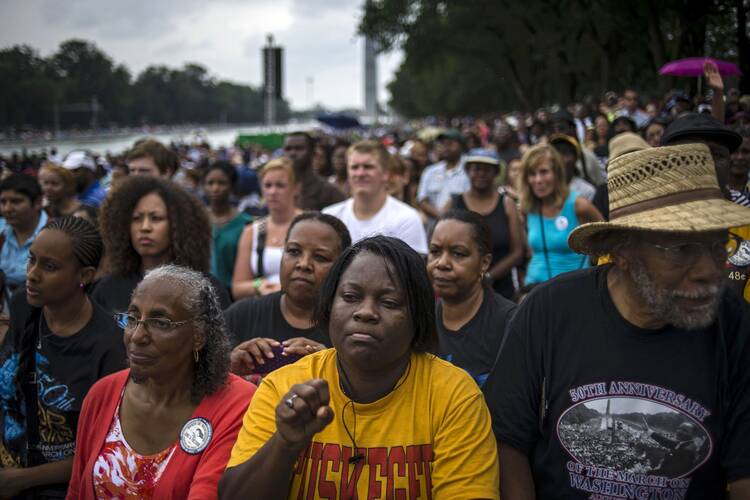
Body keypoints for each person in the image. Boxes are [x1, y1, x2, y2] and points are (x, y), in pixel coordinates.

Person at [483, 144, 750, 499]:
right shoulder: (547, 310)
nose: (709, 271)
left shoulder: (734, 324)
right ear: (622, 250)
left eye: (718, 246)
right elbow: (507, 440)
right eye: (680, 249)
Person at [219, 236, 500, 499]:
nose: (365, 312)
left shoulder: (454, 395)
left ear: (418, 318)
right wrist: (285, 443)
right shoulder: (284, 387)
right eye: (351, 297)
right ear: (329, 307)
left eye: (389, 302)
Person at [66, 265, 255, 499]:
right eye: (133, 318)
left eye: (160, 323)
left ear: (199, 336)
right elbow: (76, 492)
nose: (137, 336)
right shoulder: (103, 395)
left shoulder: (236, 403)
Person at [0, 217, 125, 498]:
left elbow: (99, 450)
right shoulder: (23, 304)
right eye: (32, 260)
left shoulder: (109, 347)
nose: (32, 273)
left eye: (50, 267)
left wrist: (19, 481)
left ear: (84, 275)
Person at [226, 213, 351, 376]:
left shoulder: (349, 328)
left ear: (342, 267)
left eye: (320, 257)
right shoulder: (241, 315)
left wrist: (331, 366)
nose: (304, 264)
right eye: (293, 251)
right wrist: (229, 367)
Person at [92, 176, 230, 315]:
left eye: (156, 218)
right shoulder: (108, 288)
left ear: (179, 225)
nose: (145, 227)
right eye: (136, 219)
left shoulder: (206, 290)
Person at [661, 113, 750, 302]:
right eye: (691, 155)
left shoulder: (747, 226)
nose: (706, 164)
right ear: (665, 164)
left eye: (717, 155)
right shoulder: (632, 227)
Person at [428, 210, 517, 386]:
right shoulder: (421, 321)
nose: (442, 263)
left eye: (458, 254)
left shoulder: (509, 323)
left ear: (484, 263)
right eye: (435, 251)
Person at [441, 149, 524, 298]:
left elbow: (517, 252)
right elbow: (440, 243)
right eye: (476, 169)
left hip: (501, 290)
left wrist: (488, 277)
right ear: (467, 171)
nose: (481, 174)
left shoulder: (507, 204)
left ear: (496, 173)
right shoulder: (453, 203)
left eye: (487, 170)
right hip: (459, 288)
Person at [323, 140, 428, 254]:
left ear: (385, 173)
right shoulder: (331, 216)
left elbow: (412, 269)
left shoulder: (407, 219)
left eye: (368, 167)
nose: (360, 173)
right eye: (354, 167)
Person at [519, 144, 603, 285]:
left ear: (557, 173)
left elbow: (609, 242)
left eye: (544, 172)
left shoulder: (579, 206)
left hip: (574, 286)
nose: (538, 180)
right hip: (534, 286)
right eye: (532, 174)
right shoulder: (528, 208)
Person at [232, 158, 301, 299]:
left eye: (280, 185)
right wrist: (258, 285)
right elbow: (237, 287)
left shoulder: (312, 225)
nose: (272, 191)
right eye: (267, 185)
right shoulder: (252, 231)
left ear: (296, 188)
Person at [203, 161, 252, 293]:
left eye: (221, 183)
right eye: (210, 183)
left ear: (232, 186)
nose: (215, 188)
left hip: (234, 296)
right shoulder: (196, 220)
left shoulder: (247, 224)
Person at [0, 174, 48, 295]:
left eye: (16, 201)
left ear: (38, 202)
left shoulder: (57, 235)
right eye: (3, 201)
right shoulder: (2, 231)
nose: (7, 208)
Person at [282, 132, 345, 211]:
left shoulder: (328, 191)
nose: (292, 153)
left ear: (312, 152)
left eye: (299, 148)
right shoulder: (277, 187)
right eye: (288, 149)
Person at [417, 129, 468, 222]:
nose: (446, 147)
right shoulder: (430, 171)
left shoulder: (469, 171)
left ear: (461, 146)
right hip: (434, 226)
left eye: (450, 144)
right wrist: (440, 216)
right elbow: (422, 200)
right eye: (443, 144)